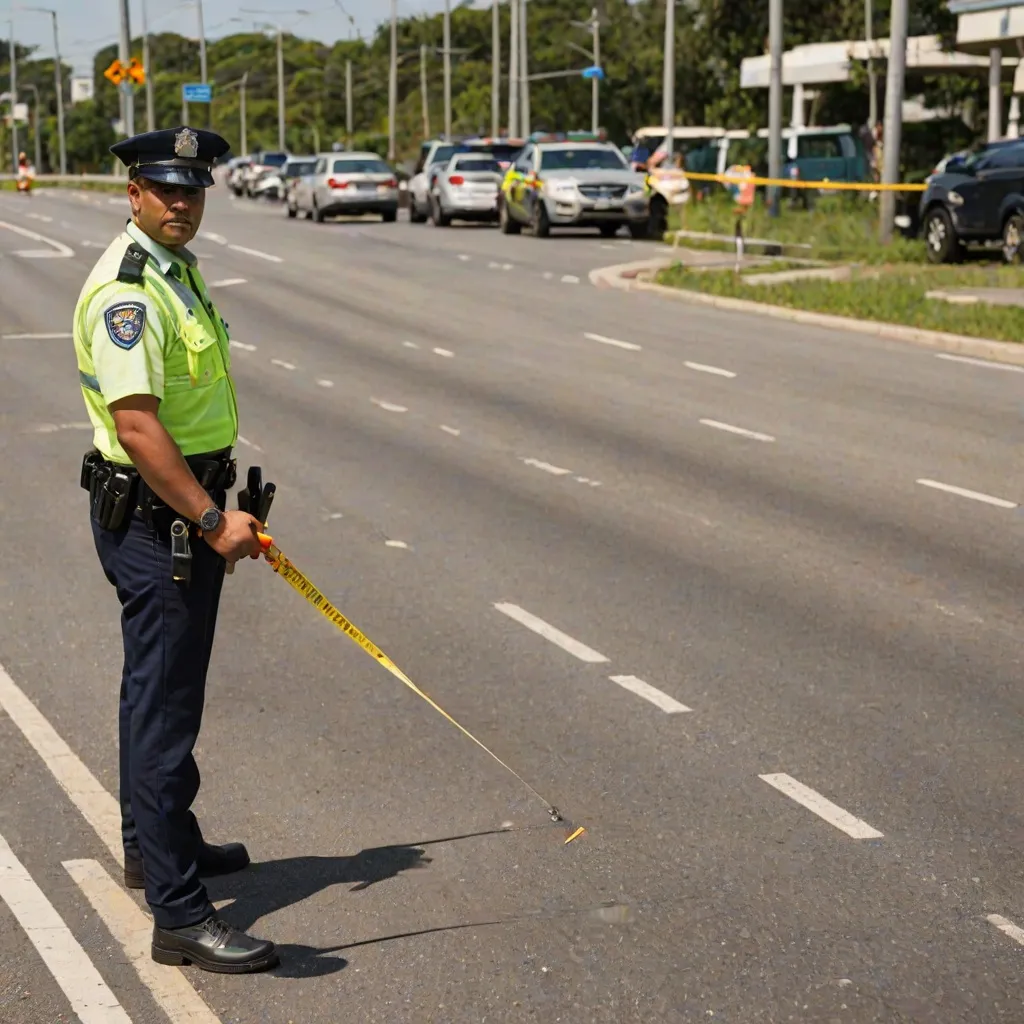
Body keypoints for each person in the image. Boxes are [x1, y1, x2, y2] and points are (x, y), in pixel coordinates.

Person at [73, 125, 279, 974]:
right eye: (165, 190)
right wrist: (211, 518)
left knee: (152, 694)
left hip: (169, 517)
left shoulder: (174, 269)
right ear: (133, 193)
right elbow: (135, 423)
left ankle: (156, 846)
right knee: (165, 712)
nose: (182, 203)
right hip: (165, 520)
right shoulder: (129, 291)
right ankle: (182, 916)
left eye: (193, 189)